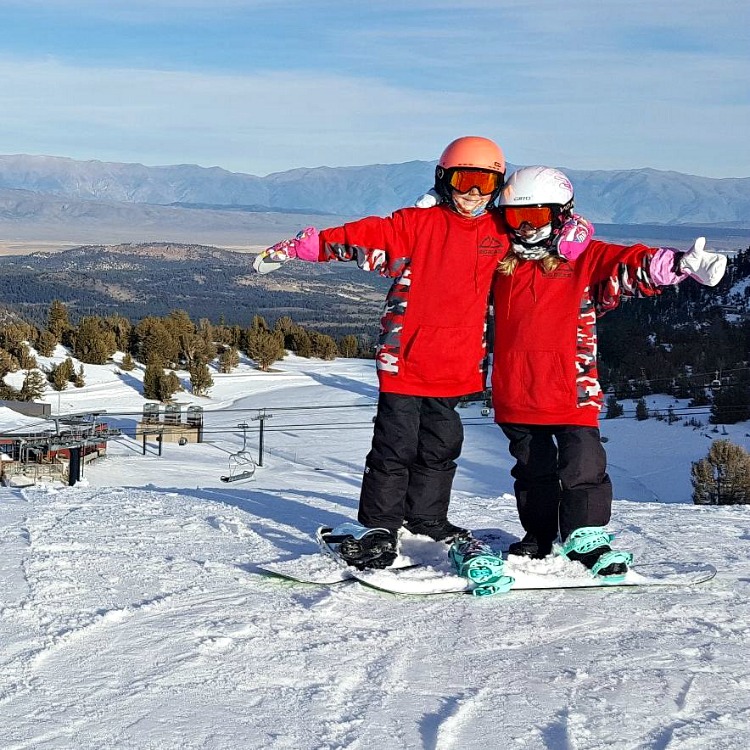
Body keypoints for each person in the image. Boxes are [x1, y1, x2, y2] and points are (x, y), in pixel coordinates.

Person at [253, 136, 525, 568]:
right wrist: (306, 246)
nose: (473, 193)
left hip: (456, 363)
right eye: (464, 179)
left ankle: (426, 518)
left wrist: (574, 234)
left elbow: (544, 235)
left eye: (484, 183)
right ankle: (379, 525)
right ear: (444, 179)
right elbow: (365, 235)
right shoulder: (418, 224)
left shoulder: (500, 232)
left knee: (441, 446)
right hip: (407, 358)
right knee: (394, 446)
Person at [489, 166, 726, 577]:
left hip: (570, 390)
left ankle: (585, 538)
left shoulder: (583, 258)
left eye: (537, 217)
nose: (525, 228)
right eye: (514, 218)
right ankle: (539, 537)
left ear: (562, 215)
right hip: (517, 391)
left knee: (583, 466)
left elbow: (628, 264)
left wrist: (679, 265)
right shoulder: (499, 261)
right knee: (532, 472)